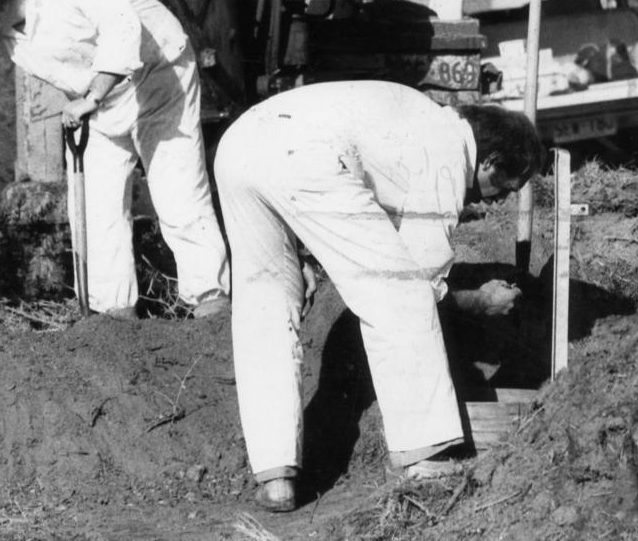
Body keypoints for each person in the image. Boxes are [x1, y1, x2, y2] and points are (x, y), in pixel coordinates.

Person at [213, 80, 544, 511]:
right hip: (305, 157)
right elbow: (421, 282)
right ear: (491, 162)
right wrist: (481, 303)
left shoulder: (417, 121)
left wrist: (301, 249)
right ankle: (425, 455)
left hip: (241, 145)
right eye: (510, 187)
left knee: (266, 300)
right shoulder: (446, 153)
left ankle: (275, 474)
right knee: (399, 293)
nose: (501, 201)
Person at [0, 0, 231, 318]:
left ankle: (211, 304)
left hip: (157, 76)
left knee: (178, 192)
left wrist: (92, 97)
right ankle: (112, 319)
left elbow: (122, 27)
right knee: (94, 211)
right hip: (97, 102)